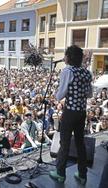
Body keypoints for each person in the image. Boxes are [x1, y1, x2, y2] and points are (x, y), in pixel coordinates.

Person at [49, 45, 93, 185]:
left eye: (65, 55)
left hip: (70, 112)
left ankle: (60, 173)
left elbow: (60, 94)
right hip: (81, 112)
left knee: (65, 143)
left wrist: (57, 95)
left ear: (69, 57)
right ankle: (82, 174)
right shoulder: (86, 72)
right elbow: (89, 94)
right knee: (80, 143)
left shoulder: (67, 71)